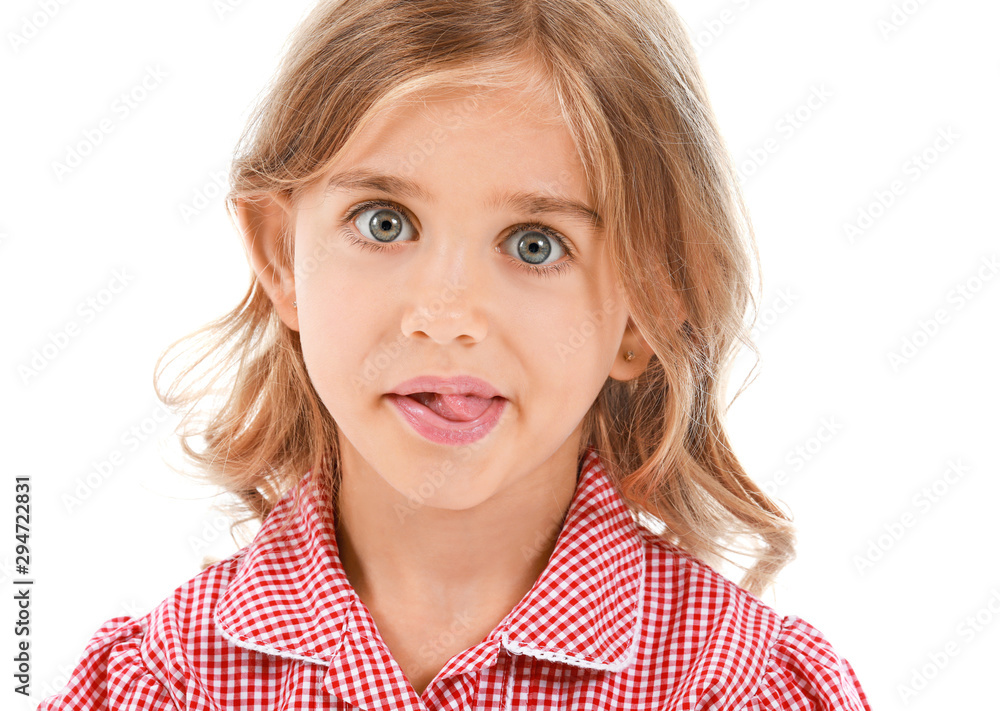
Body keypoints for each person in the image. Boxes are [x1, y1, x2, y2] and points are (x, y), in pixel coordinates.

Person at [39, 0, 871, 708]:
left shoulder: (739, 686)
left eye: (536, 244)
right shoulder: (161, 683)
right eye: (385, 223)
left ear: (646, 307)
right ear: (282, 254)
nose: (446, 317)